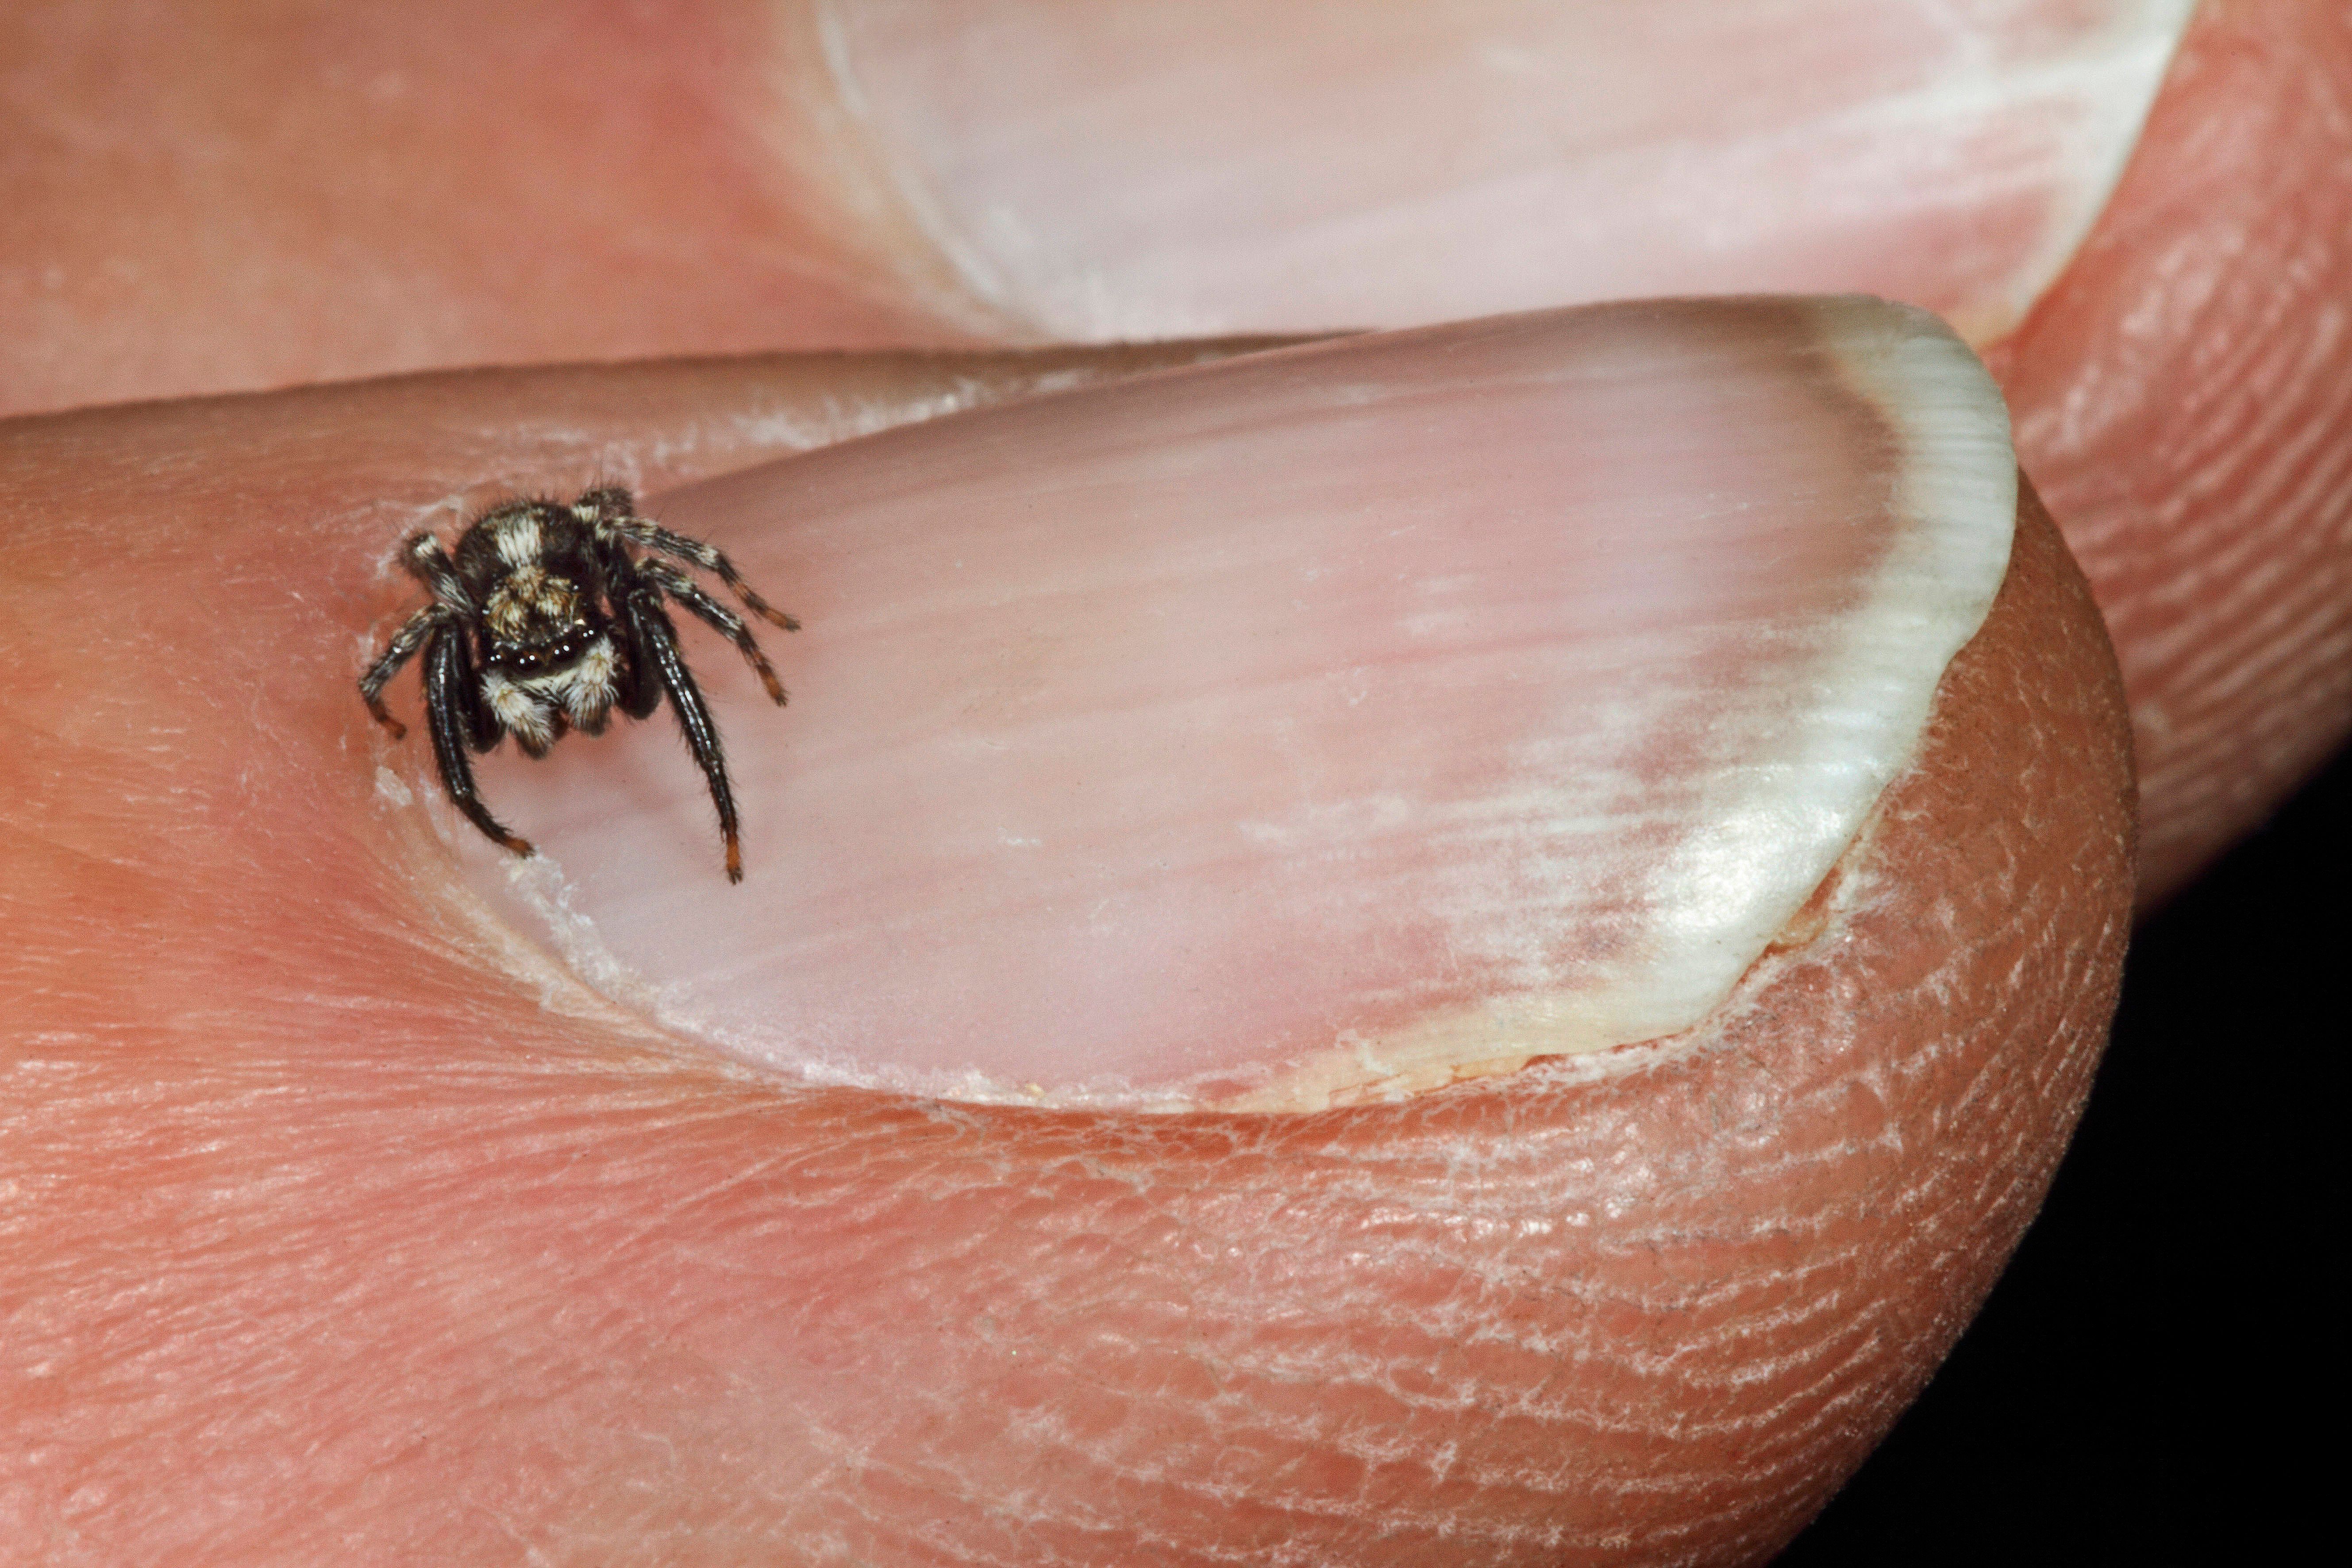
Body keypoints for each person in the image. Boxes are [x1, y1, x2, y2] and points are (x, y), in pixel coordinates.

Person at [2, 3, 2340, 1561]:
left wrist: (718, 679)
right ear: (491, 592)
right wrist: (486, 768)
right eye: (501, 587)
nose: (521, 590)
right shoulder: (498, 602)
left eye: (546, 573)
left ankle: (630, 837)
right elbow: (484, 635)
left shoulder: (606, 563)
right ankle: (562, 844)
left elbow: (675, 596)